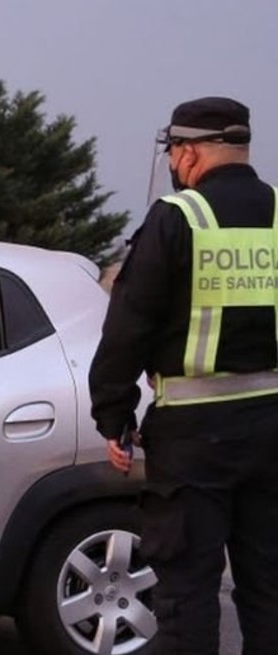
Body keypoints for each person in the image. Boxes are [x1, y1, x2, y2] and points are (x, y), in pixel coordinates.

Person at [89, 97, 278, 654]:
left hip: (194, 438)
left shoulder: (179, 218)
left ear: (189, 152)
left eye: (174, 151)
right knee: (269, 588)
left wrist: (114, 415)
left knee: (187, 593)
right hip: (273, 427)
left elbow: (129, 326)